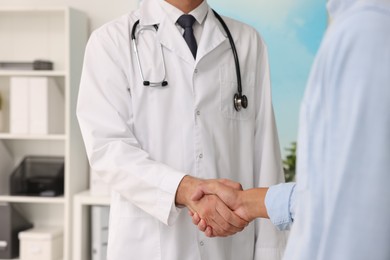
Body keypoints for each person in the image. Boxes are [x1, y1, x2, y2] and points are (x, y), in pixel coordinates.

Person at [76, 0, 288, 259]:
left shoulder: (247, 43)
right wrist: (185, 189)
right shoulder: (110, 42)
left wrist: (271, 254)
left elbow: (265, 156)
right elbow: (108, 149)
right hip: (149, 246)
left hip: (229, 247)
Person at [190, 0, 390, 259]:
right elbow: (328, 194)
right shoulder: (360, 28)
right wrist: (246, 201)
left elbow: (355, 219)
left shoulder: (366, 33)